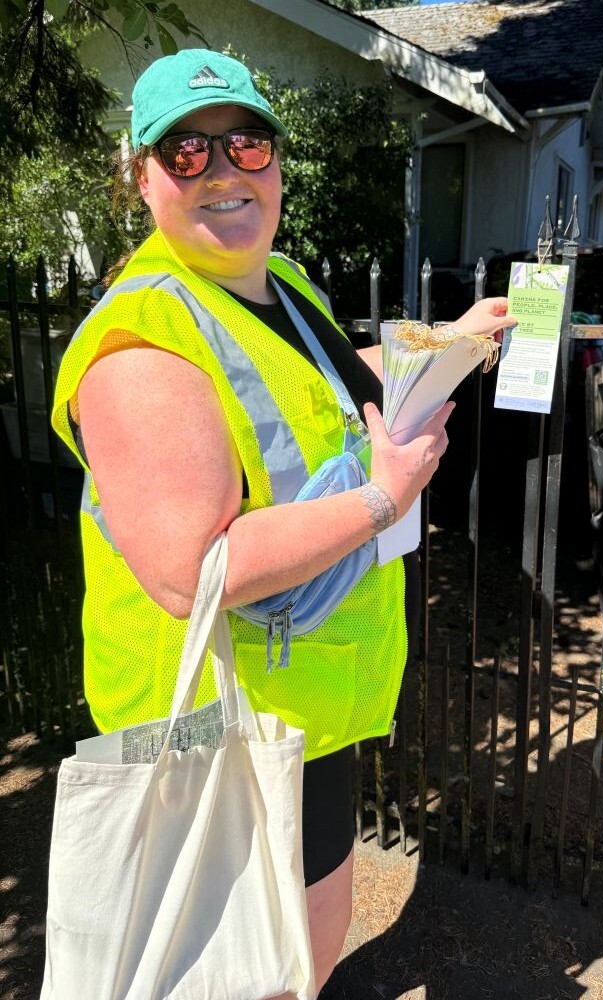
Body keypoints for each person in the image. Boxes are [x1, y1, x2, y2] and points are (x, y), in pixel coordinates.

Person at [51, 48, 516, 996]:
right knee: (240, 976)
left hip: (307, 717)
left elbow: (332, 399)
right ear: (142, 178)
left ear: (276, 162)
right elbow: (193, 574)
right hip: (215, 735)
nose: (223, 171)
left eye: (246, 143)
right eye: (185, 153)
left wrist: (454, 347)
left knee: (305, 951)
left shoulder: (283, 286)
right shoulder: (139, 346)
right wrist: (384, 497)